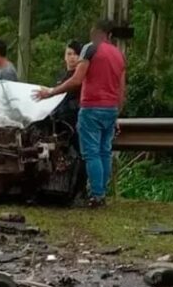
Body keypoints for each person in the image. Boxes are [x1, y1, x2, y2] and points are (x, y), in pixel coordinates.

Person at [36, 20, 126, 207]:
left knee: (91, 153)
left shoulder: (90, 49)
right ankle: (101, 192)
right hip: (111, 108)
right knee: (104, 152)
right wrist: (117, 112)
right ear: (110, 35)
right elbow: (121, 88)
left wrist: (51, 92)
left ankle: (96, 196)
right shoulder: (119, 55)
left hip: (92, 107)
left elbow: (77, 80)